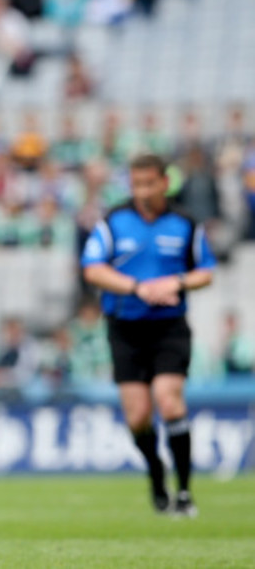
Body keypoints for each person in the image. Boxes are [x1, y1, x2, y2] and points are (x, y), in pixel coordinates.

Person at [81, 153, 216, 517]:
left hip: (169, 326)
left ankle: (185, 492)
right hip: (125, 327)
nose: (141, 191)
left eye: (148, 183)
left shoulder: (185, 224)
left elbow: (206, 271)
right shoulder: (113, 222)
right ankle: (156, 473)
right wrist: (137, 287)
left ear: (164, 182)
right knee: (138, 416)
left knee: (169, 402)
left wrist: (177, 281)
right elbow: (92, 269)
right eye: (135, 183)